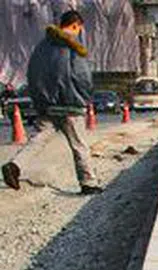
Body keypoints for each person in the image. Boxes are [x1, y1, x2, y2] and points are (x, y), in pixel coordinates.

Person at [2, 10, 100, 195]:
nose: (79, 32)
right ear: (75, 25)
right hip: (70, 105)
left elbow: (32, 75)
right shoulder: (73, 47)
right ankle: (88, 183)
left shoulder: (41, 47)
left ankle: (15, 165)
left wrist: (40, 100)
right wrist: (84, 97)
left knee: (38, 140)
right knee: (79, 145)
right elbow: (82, 77)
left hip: (46, 105)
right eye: (79, 29)